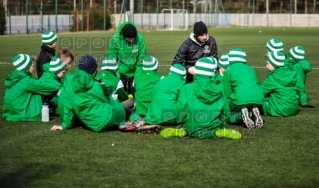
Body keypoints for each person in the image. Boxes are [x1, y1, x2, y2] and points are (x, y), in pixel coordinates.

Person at [51, 55, 144, 132]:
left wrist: (64, 125)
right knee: (127, 110)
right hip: (107, 115)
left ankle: (120, 123)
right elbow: (106, 101)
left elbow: (67, 105)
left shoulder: (69, 80)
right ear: (94, 72)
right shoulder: (96, 84)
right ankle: (137, 120)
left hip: (93, 125)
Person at [160, 57, 241, 139]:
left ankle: (183, 131)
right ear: (212, 72)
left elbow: (181, 109)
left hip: (192, 128)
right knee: (219, 127)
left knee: (185, 126)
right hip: (213, 127)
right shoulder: (219, 88)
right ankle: (220, 131)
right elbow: (226, 112)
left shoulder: (187, 88)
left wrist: (181, 121)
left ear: (195, 71)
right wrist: (220, 121)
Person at [3, 54, 59, 122]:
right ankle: (59, 109)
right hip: (22, 113)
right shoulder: (25, 80)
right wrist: (57, 85)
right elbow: (50, 88)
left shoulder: (15, 77)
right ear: (26, 68)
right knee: (44, 93)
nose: (33, 68)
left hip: (11, 112)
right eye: (32, 66)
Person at [223, 48, 264, 129]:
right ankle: (253, 113)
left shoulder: (228, 71)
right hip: (258, 99)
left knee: (230, 117)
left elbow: (227, 92)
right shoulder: (251, 69)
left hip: (240, 99)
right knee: (248, 106)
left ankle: (241, 115)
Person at [108, 22, 146, 96]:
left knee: (136, 95)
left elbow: (141, 60)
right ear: (123, 36)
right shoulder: (115, 39)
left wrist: (137, 77)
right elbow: (112, 60)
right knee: (122, 97)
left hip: (136, 72)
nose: (132, 41)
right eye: (129, 39)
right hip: (121, 73)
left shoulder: (140, 39)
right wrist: (118, 76)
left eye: (133, 39)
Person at [261, 51, 299, 117]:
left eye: (268, 63)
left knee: (254, 101)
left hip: (278, 110)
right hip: (293, 109)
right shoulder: (290, 74)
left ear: (274, 64)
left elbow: (260, 92)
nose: (266, 65)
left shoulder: (273, 78)